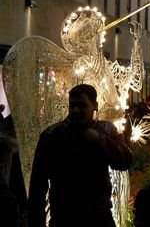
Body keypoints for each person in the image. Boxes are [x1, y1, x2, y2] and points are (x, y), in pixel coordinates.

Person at [28, 84, 132, 227]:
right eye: (72, 106)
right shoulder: (52, 135)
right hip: (65, 217)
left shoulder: (106, 130)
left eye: (82, 105)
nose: (76, 110)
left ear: (95, 106)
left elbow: (124, 162)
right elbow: (38, 186)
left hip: (98, 216)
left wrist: (100, 139)